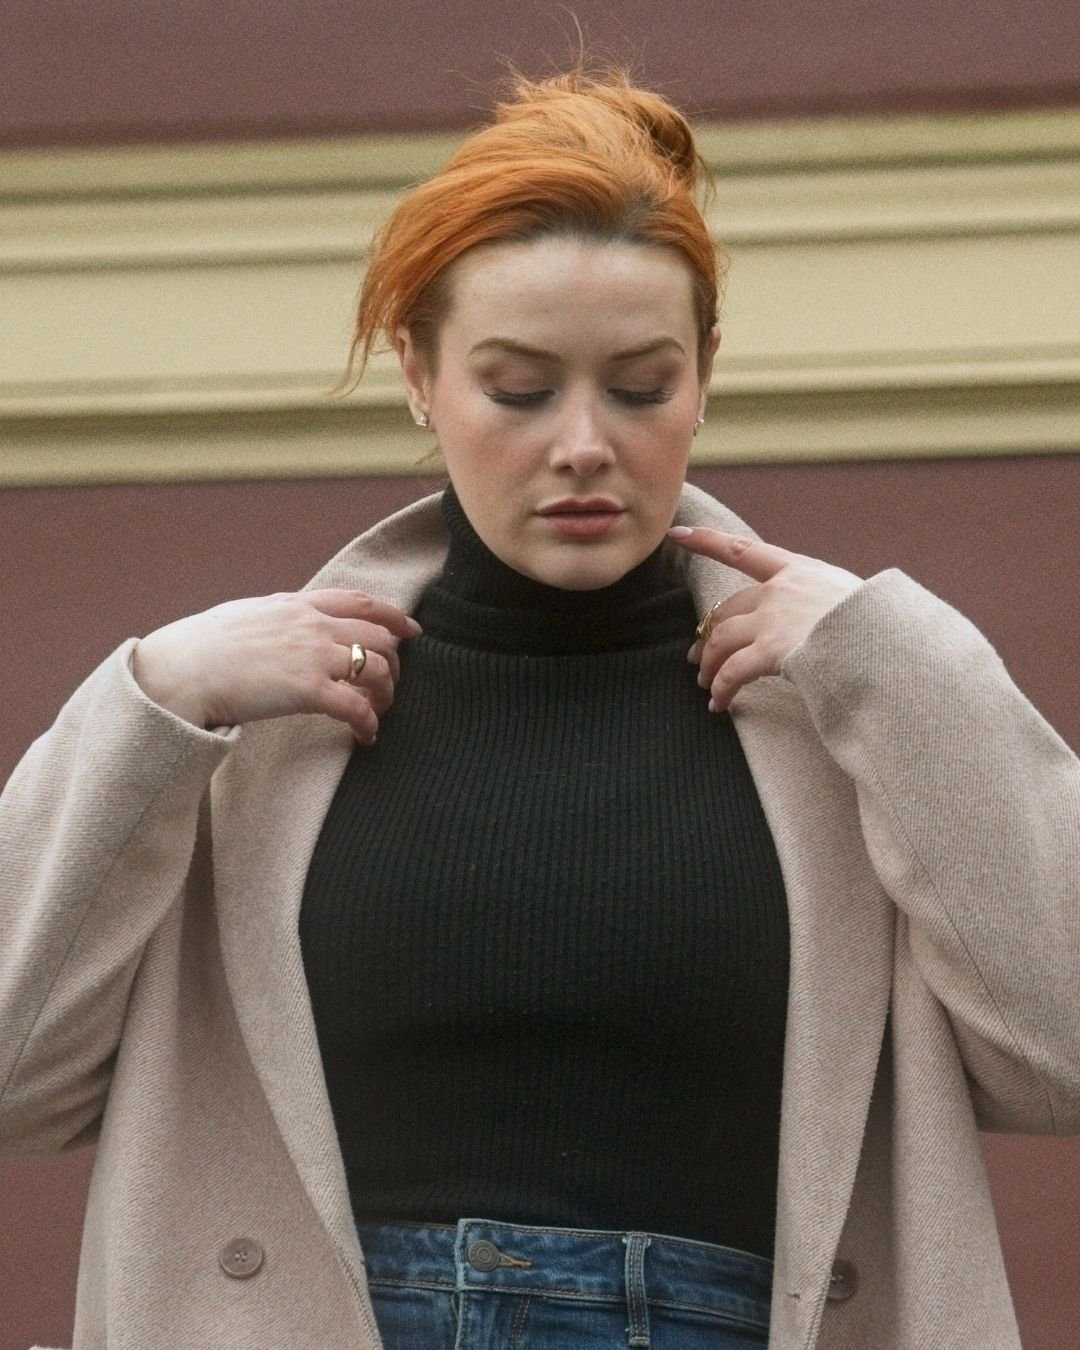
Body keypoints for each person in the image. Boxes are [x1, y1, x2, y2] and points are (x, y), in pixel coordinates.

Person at [1, 65, 1078, 1350]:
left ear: (706, 373)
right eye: (517, 388)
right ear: (418, 372)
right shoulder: (254, 722)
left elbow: (1059, 1054)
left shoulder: (835, 710)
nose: (582, 443)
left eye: (639, 386)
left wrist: (908, 672)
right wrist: (149, 703)